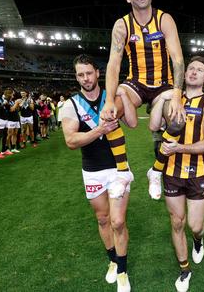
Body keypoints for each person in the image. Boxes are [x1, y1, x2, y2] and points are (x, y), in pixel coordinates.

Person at [101, 0, 186, 200]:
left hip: (163, 85)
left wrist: (177, 96)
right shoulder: (122, 25)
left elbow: (178, 59)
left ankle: (155, 171)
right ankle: (123, 172)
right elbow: (113, 64)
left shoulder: (164, 19)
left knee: (178, 121)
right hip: (136, 84)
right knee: (108, 117)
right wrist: (110, 99)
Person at [60, 55, 137, 292]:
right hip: (92, 171)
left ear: (98, 73)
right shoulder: (70, 105)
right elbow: (71, 141)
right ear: (76, 77)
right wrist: (100, 129)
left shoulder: (110, 98)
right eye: (80, 75)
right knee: (103, 219)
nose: (86, 78)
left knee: (118, 221)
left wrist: (124, 97)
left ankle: (122, 271)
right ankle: (113, 261)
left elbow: (132, 123)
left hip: (117, 169)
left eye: (89, 73)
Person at [148, 56, 204, 292]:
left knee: (195, 225)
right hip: (171, 171)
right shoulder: (173, 99)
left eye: (200, 70)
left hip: (197, 172)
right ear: (185, 73)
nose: (194, 72)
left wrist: (180, 148)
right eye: (191, 68)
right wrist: (162, 99)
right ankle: (184, 269)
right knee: (177, 222)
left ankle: (198, 240)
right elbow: (153, 125)